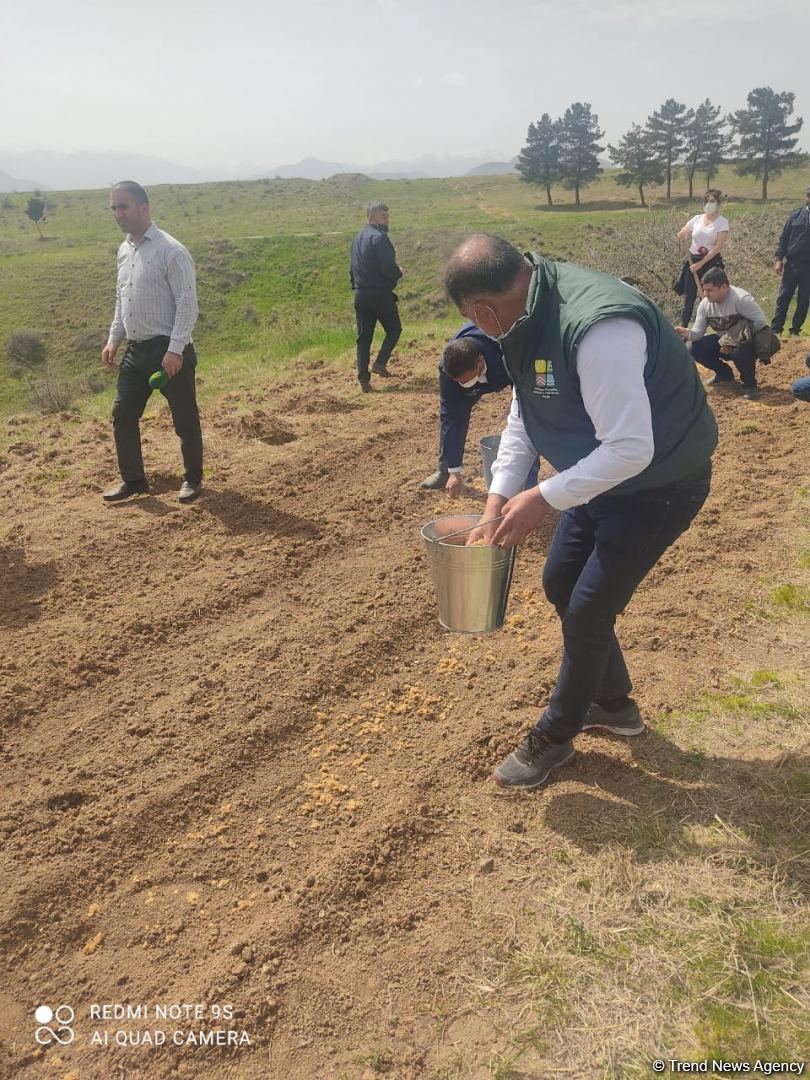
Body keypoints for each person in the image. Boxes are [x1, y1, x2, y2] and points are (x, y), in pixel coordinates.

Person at [443, 235, 717, 790]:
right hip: (600, 475)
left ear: (484, 312)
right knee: (561, 578)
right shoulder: (525, 318)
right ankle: (614, 704)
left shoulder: (596, 329)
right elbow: (525, 414)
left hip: (660, 479)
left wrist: (542, 496)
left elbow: (631, 449)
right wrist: (497, 499)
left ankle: (554, 735)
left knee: (590, 609)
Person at [101, 181, 202, 503]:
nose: (118, 214)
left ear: (144, 208)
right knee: (123, 415)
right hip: (136, 350)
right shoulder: (124, 250)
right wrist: (114, 339)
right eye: (114, 208)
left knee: (184, 418)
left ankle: (193, 480)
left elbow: (188, 305)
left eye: (124, 207)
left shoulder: (171, 251)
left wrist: (175, 350)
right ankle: (134, 481)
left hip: (168, 349)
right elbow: (122, 299)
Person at [419, 325, 538, 495]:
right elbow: (450, 416)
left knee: (526, 416)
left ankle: (528, 481)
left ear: (480, 361)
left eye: (466, 380)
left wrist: (519, 399)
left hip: (508, 369)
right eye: (458, 381)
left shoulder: (508, 351)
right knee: (453, 417)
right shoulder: (449, 369)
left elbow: (525, 399)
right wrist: (455, 471)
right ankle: (446, 471)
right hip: (477, 373)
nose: (462, 384)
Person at [675, 267, 775, 401]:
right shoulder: (705, 305)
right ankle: (724, 374)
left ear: (724, 287)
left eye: (710, 290)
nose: (705, 294)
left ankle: (750, 385)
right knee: (694, 348)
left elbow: (760, 322)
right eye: (705, 290)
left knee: (739, 351)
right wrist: (687, 333)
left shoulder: (741, 299)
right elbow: (698, 332)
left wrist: (732, 340)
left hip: (746, 342)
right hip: (722, 341)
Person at [350, 202, 402, 392]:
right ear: (371, 217)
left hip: (360, 294)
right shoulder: (380, 238)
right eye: (383, 216)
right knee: (394, 329)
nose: (387, 220)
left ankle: (364, 381)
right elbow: (388, 268)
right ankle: (379, 363)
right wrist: (399, 272)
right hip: (379, 294)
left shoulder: (356, 239)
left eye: (388, 216)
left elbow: (352, 268)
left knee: (363, 339)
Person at [675, 190, 730, 326]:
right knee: (689, 297)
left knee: (706, 297)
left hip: (710, 262)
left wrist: (700, 264)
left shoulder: (722, 222)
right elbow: (685, 229)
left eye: (712, 201)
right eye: (706, 202)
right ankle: (683, 327)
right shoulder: (697, 219)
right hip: (692, 260)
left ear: (718, 204)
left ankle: (708, 326)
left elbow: (718, 247)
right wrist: (682, 233)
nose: (708, 204)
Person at [771, 186, 810, 338]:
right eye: (809, 195)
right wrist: (779, 259)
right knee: (784, 296)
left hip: (809, 266)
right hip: (792, 263)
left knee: (804, 299)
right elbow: (784, 238)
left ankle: (795, 330)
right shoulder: (795, 216)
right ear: (806, 197)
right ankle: (775, 328)